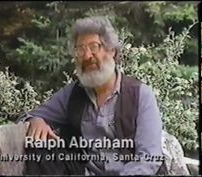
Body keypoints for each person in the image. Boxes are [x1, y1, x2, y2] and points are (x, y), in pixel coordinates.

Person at [19, 16, 166, 175]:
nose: (87, 56)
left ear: (112, 51)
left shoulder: (140, 94)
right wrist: (36, 121)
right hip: (84, 171)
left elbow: (149, 158)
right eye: (80, 49)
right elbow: (29, 116)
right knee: (39, 145)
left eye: (94, 47)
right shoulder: (73, 93)